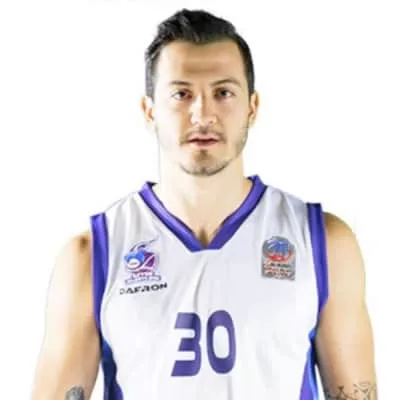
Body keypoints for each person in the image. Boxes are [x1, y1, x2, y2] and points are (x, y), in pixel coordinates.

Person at [32, 8, 377, 400]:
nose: (203, 113)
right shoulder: (94, 255)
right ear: (149, 111)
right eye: (181, 94)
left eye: (223, 93)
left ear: (252, 107)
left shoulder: (323, 244)